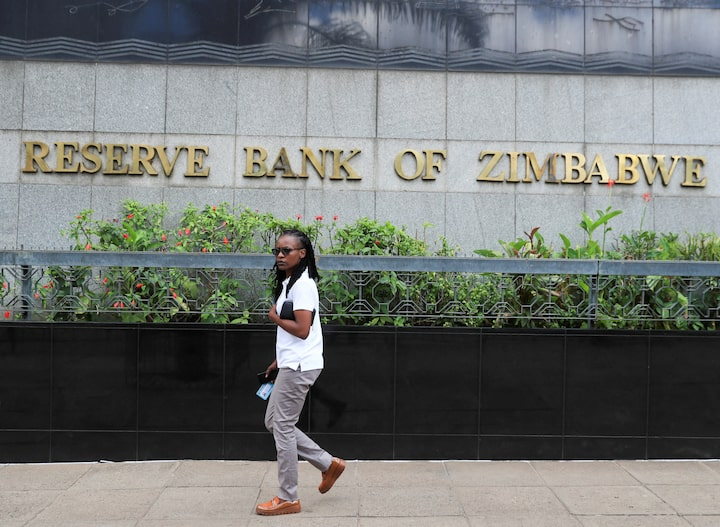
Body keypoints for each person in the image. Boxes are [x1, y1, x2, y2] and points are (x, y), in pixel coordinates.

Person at [256, 228, 346, 516]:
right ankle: (326, 463)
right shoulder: (288, 283)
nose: (280, 256)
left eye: (287, 251)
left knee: (281, 426)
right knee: (274, 421)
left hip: (300, 366)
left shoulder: (303, 285)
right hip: (292, 362)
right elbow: (295, 334)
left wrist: (273, 318)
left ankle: (288, 497)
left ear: (302, 253)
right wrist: (278, 359)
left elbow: (303, 330)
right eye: (277, 251)